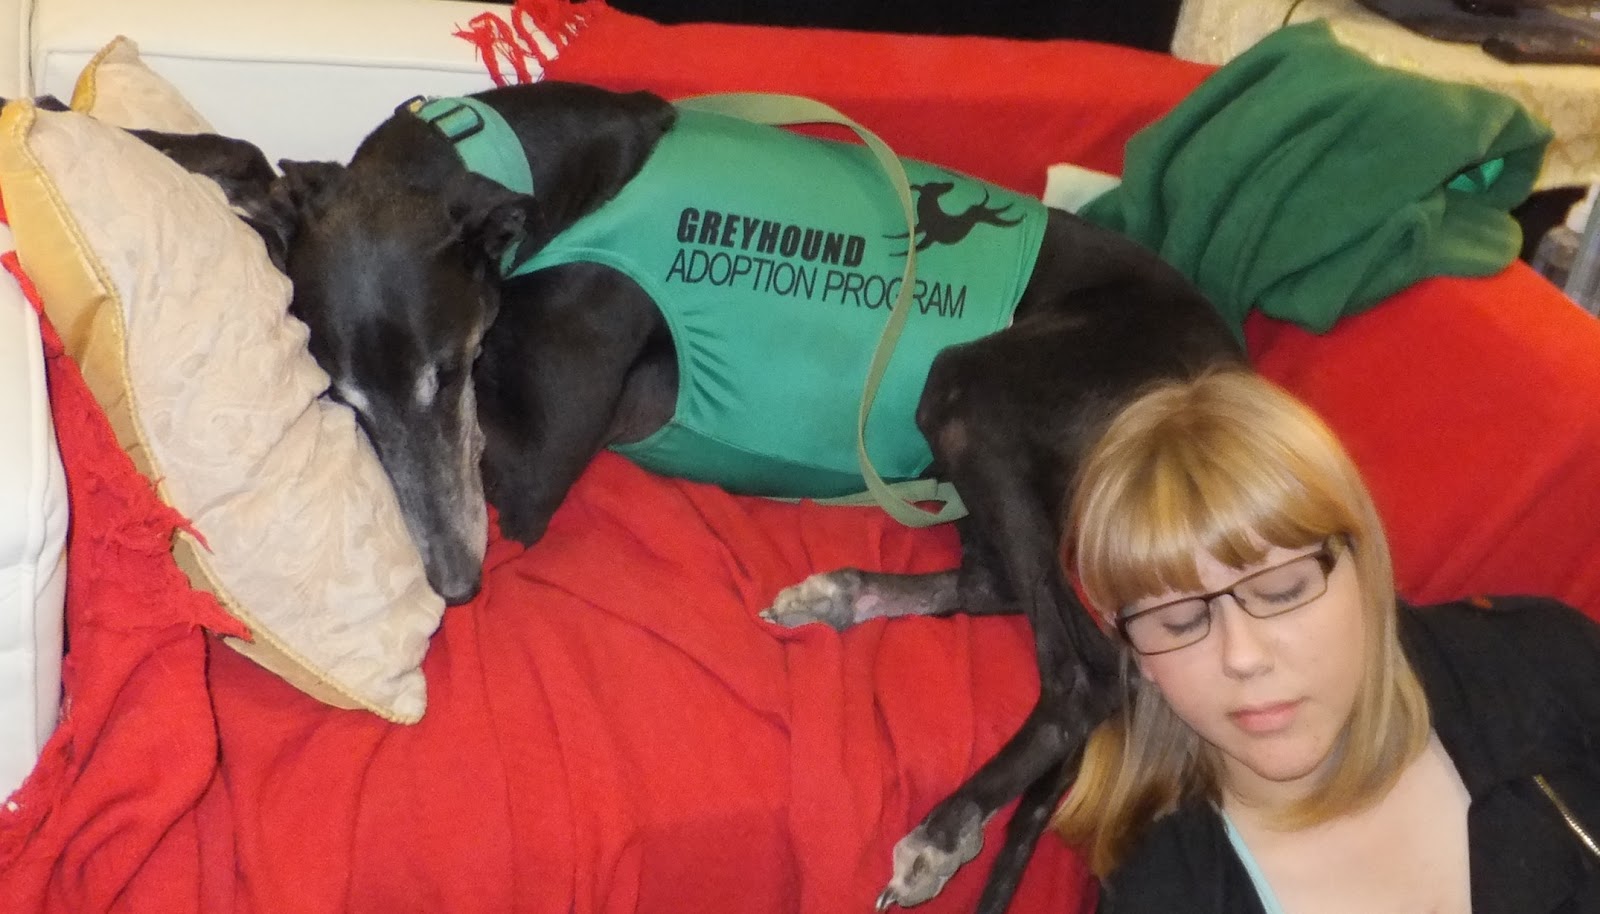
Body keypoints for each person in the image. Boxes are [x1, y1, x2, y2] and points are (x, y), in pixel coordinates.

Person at [1051, 368, 1600, 913]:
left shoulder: (1545, 664)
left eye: (1282, 592)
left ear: (1365, 567)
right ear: (1134, 651)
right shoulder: (1160, 895)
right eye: (1181, 622)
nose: (1243, 657)